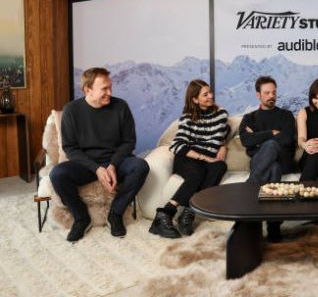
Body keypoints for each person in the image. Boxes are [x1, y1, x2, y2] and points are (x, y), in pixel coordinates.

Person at [50, 67, 149, 242]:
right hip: (86, 164)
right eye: (104, 88)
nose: (110, 92)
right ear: (88, 90)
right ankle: (81, 217)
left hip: (116, 161)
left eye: (110, 87)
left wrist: (112, 165)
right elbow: (70, 148)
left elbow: (129, 142)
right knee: (57, 174)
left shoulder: (121, 106)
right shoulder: (71, 111)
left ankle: (115, 213)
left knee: (140, 167)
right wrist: (96, 169)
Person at [149, 79, 229, 238]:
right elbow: (177, 145)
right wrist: (203, 157)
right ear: (195, 99)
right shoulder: (187, 117)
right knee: (197, 172)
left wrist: (223, 145)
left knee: (220, 167)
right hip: (188, 157)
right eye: (205, 94)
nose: (211, 96)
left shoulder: (221, 115)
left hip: (208, 159)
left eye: (210, 92)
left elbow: (223, 133)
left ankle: (188, 213)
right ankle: (165, 213)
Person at [239, 76, 296, 241]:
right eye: (267, 93)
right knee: (273, 167)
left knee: (271, 148)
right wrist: (271, 133)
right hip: (261, 162)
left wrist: (258, 139)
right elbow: (245, 141)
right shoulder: (249, 118)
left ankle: (249, 190)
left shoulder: (286, 115)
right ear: (258, 95)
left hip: (284, 159)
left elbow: (287, 140)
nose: (271, 96)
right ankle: (273, 226)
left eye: (274, 92)